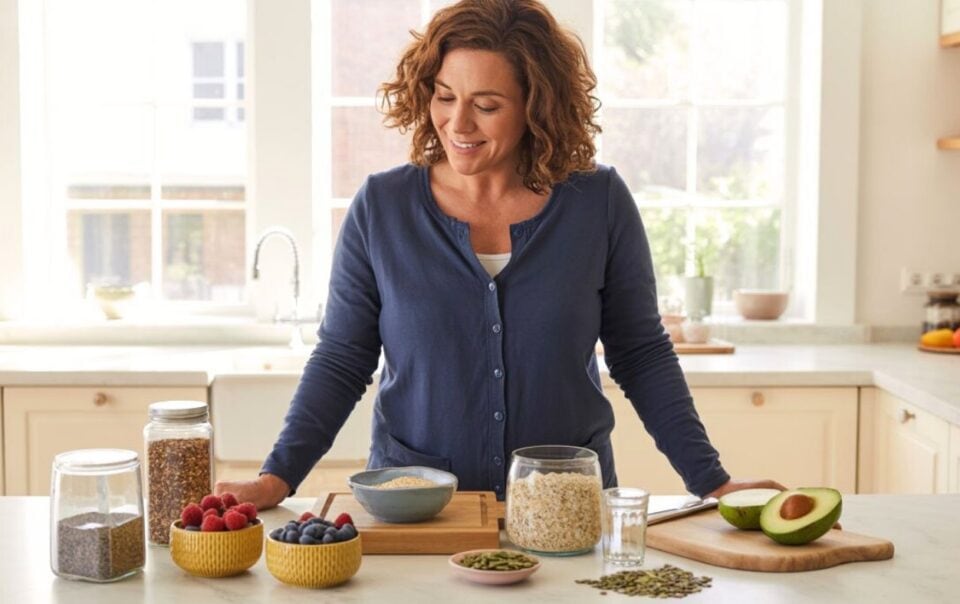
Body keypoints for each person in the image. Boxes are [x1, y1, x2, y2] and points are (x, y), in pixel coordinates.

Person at [215, 0, 783, 510]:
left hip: (567, 508)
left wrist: (712, 481)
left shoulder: (598, 202)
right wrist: (277, 477)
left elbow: (641, 353)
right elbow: (342, 358)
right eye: (444, 97)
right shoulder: (382, 208)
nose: (457, 124)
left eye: (486, 105)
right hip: (418, 511)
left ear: (537, 107)